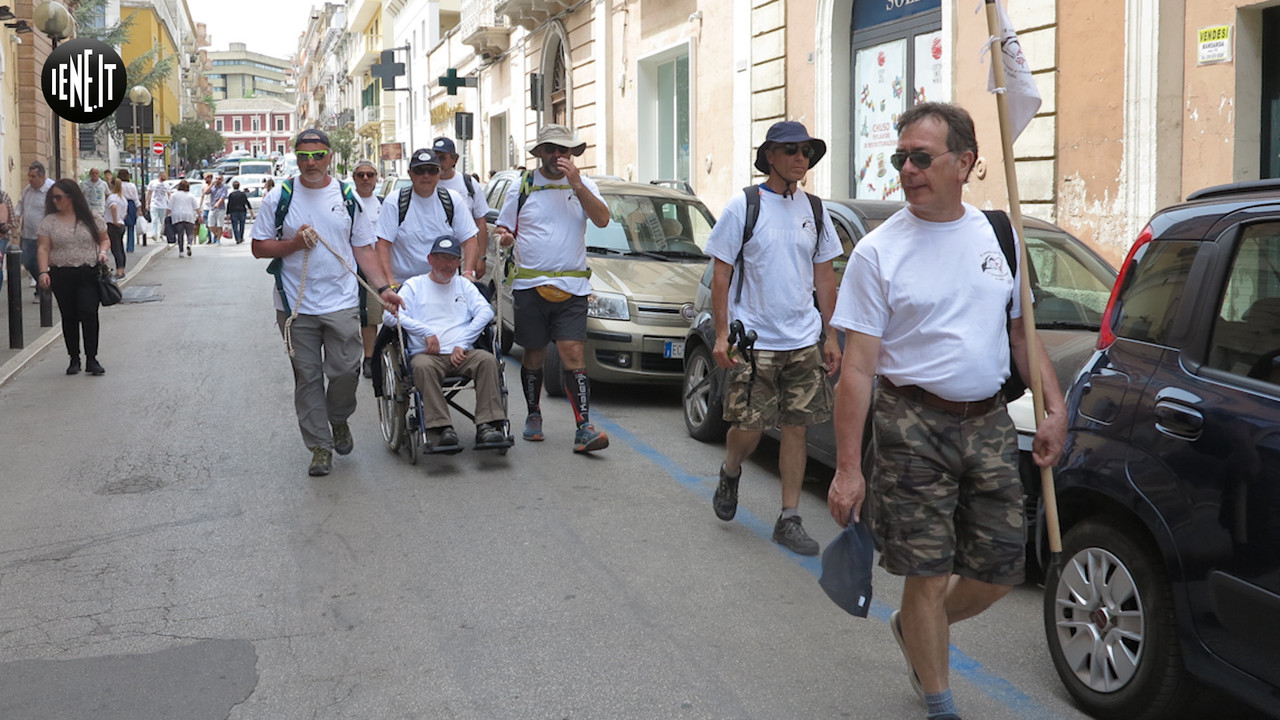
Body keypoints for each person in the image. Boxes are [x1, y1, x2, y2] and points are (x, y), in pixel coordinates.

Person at [825, 102, 1067, 720]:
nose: (907, 169)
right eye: (900, 157)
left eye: (921, 157)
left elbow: (1021, 334)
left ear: (966, 163)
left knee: (999, 569)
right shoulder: (878, 254)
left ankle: (917, 626)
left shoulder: (1001, 237)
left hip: (988, 421)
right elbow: (856, 368)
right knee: (926, 573)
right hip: (910, 425)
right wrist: (848, 468)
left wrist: (1055, 407)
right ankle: (939, 701)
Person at [703, 120, 842, 556]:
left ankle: (789, 517)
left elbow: (825, 278)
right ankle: (730, 470)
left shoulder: (815, 211)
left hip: (802, 340)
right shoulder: (744, 206)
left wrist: (831, 336)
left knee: (797, 428)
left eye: (806, 151)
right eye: (791, 150)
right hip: (755, 340)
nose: (801, 158)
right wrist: (722, 334)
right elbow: (721, 273)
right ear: (771, 157)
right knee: (751, 427)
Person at [250, 128, 402, 477]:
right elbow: (259, 247)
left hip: (342, 302)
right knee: (307, 378)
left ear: (330, 156)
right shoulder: (280, 197)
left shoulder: (347, 195)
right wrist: (293, 245)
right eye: (303, 156)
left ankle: (338, 419)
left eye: (318, 155)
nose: (311, 162)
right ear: (296, 157)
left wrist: (383, 288)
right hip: (295, 306)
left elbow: (363, 249)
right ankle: (319, 446)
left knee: (347, 370)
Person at [492, 124, 612, 454]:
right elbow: (503, 226)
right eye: (551, 149)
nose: (558, 155)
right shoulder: (523, 186)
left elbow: (602, 219)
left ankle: (583, 427)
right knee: (533, 352)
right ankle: (533, 415)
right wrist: (504, 236)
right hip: (530, 284)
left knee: (573, 352)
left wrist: (576, 183)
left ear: (573, 154)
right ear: (540, 152)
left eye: (565, 150)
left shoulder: (584, 184)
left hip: (572, 285)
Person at [382, 235, 509, 451]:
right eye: (441, 258)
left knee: (487, 360)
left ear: (459, 262)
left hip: (462, 354)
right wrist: (425, 331)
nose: (447, 264)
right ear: (430, 259)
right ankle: (441, 429)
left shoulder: (465, 286)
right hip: (427, 355)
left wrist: (463, 342)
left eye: (452, 259)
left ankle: (487, 425)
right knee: (422, 366)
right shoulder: (414, 286)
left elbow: (486, 312)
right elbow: (389, 318)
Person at [35, 179, 112, 376]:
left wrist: (103, 252)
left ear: (71, 197)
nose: (55, 201)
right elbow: (43, 248)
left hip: (88, 271)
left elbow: (104, 239)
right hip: (62, 273)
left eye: (59, 197)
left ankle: (92, 358)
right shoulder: (49, 222)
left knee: (88, 312)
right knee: (69, 316)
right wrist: (43, 272)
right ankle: (74, 358)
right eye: (52, 197)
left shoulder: (90, 218)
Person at [375, 148, 478, 285]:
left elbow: (470, 239)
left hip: (446, 284)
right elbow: (382, 244)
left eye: (432, 170)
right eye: (420, 170)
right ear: (410, 174)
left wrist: (468, 273)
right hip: (404, 286)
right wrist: (390, 282)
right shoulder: (394, 201)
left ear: (439, 172)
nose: (426, 175)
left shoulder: (453, 200)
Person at [432, 136, 491, 278]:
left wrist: (481, 258)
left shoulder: (468, 184)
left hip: (462, 254)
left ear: (454, 160)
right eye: (435, 157)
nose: (438, 163)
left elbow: (480, 222)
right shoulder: (427, 184)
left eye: (443, 158)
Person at [351, 158, 384, 378]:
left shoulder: (384, 203)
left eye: (370, 175)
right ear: (354, 178)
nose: (365, 178)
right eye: (360, 174)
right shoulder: (347, 201)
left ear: (376, 179)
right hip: (351, 267)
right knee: (360, 315)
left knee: (373, 314)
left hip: (377, 266)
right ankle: (366, 356)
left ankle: (376, 355)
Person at [19, 161, 56, 303]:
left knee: (41, 262)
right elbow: (21, 205)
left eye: (33, 176)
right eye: (29, 176)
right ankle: (45, 284)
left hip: (44, 235)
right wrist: (16, 218)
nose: (30, 179)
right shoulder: (28, 190)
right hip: (28, 233)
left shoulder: (51, 189)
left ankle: (42, 289)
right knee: (27, 261)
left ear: (42, 176)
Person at [167, 180, 200, 257]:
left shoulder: (174, 195)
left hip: (177, 216)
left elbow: (169, 208)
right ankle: (189, 244)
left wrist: (166, 216)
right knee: (190, 232)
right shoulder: (191, 195)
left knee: (180, 234)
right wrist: (200, 216)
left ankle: (181, 252)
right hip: (189, 216)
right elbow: (196, 207)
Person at [104, 177, 127, 279]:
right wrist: (120, 218)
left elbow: (113, 207)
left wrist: (114, 220)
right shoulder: (122, 198)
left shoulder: (112, 197)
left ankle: (119, 271)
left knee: (115, 248)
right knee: (120, 248)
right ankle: (122, 270)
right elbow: (125, 213)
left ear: (111, 186)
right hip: (121, 224)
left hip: (113, 225)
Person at [146, 171, 171, 245]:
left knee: (162, 221)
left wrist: (170, 204)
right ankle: (154, 234)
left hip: (163, 205)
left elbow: (169, 194)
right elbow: (149, 193)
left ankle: (160, 234)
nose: (165, 177)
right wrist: (147, 203)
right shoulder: (153, 183)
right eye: (163, 175)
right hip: (154, 204)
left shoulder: (166, 184)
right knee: (154, 220)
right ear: (160, 176)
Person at [226, 180, 252, 244]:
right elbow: (247, 202)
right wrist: (250, 209)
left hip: (233, 211)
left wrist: (227, 213)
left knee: (234, 225)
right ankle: (241, 237)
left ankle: (237, 238)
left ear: (233, 187)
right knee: (242, 225)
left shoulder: (231, 195)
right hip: (242, 210)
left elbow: (229, 204)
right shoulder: (243, 194)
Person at [207, 174, 228, 244]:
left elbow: (223, 197)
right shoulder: (213, 187)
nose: (217, 180)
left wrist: (218, 203)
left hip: (220, 209)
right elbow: (206, 192)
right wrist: (211, 185)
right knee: (210, 225)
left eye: (219, 179)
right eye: (216, 179)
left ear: (222, 180)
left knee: (219, 225)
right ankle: (217, 235)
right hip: (212, 208)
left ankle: (218, 239)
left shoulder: (224, 188)